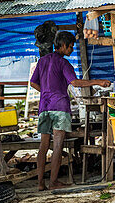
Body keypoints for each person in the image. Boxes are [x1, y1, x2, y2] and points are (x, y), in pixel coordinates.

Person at [29, 30, 110, 190]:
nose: (72, 50)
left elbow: (33, 83)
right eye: (71, 46)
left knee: (43, 146)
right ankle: (53, 182)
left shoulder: (42, 61)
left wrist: (46, 92)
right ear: (63, 45)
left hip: (44, 107)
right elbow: (74, 82)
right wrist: (98, 82)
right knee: (58, 146)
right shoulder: (63, 63)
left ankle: (40, 184)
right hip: (59, 107)